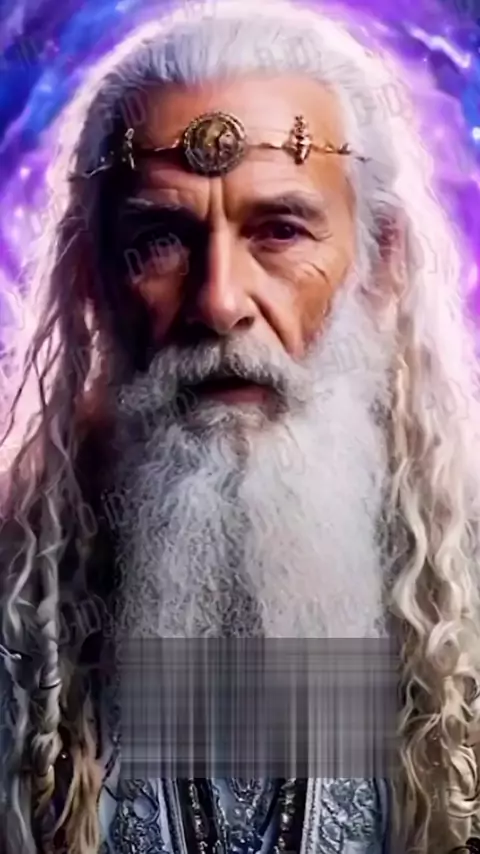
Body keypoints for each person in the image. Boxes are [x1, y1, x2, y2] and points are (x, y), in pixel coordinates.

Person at [1, 0, 480, 852]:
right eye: (160, 239)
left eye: (280, 230)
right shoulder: (16, 602)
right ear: (92, 281)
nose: (220, 302)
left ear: (381, 264)